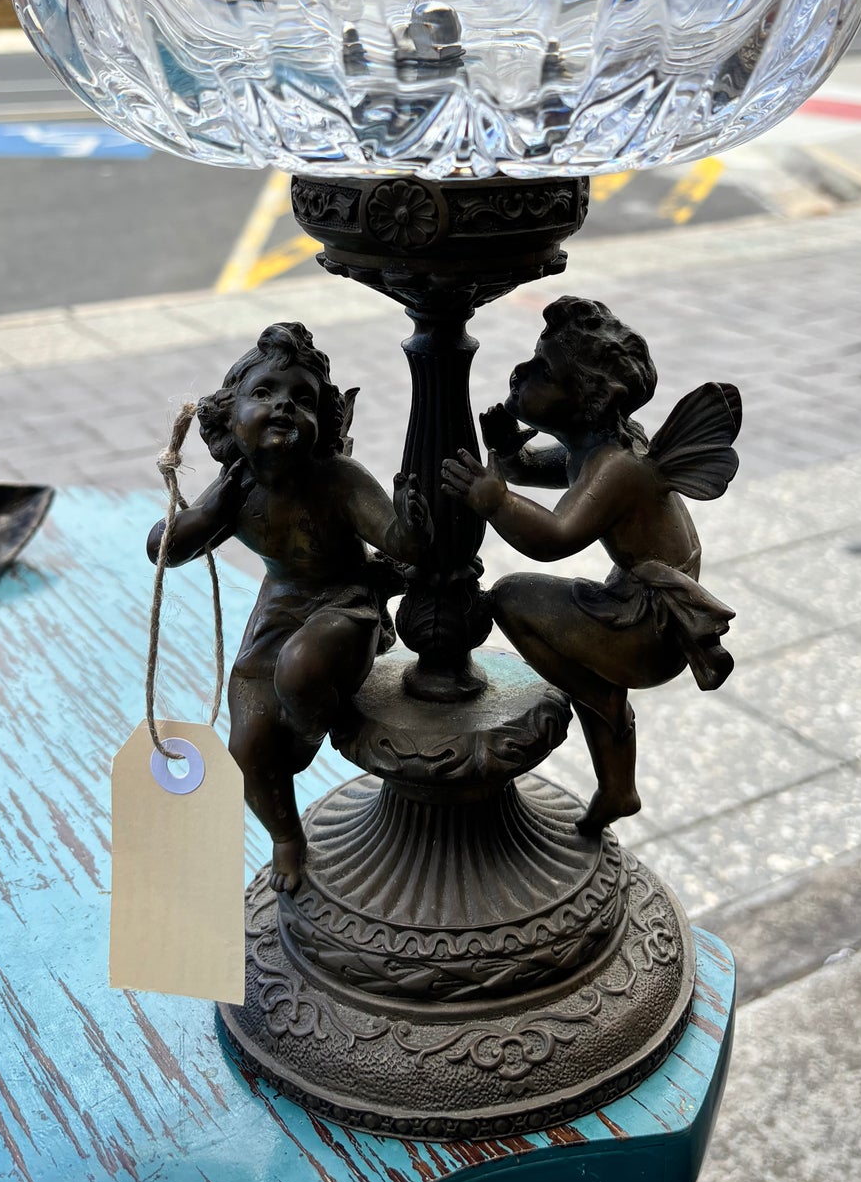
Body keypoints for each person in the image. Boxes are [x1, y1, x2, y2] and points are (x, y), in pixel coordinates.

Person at [441, 296, 739, 838]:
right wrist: (510, 458)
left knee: (509, 596)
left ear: (590, 401)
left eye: (544, 371)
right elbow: (542, 472)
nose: (523, 373)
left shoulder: (616, 467)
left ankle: (591, 689)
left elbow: (556, 538)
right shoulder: (606, 448)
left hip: (651, 628)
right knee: (586, 677)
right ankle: (617, 788)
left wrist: (493, 502)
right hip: (644, 610)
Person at [146, 323, 431, 890]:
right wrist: (209, 510)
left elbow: (398, 539)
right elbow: (165, 550)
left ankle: (314, 720)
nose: (283, 406)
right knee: (247, 745)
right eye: (264, 393)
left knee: (300, 670)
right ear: (229, 416)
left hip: (347, 604)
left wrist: (413, 517)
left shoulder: (338, 479)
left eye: (302, 399)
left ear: (322, 422)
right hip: (278, 611)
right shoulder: (238, 488)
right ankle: (286, 835)